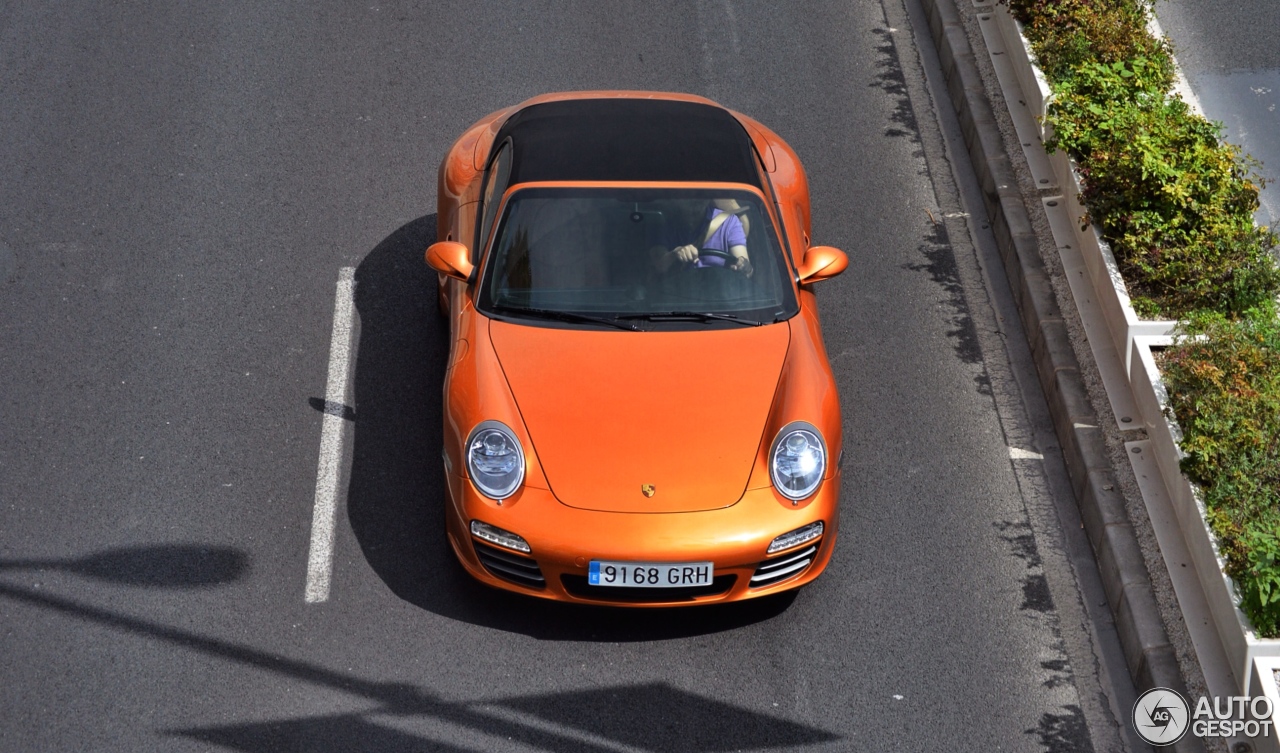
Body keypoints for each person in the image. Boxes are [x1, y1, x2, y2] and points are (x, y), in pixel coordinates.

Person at [651, 198, 753, 277]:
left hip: (722, 295)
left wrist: (743, 266)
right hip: (675, 297)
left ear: (709, 198)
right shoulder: (663, 223)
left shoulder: (729, 223)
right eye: (690, 195)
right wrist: (675, 254)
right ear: (677, 198)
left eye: (701, 195)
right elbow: (658, 265)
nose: (696, 201)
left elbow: (744, 264)